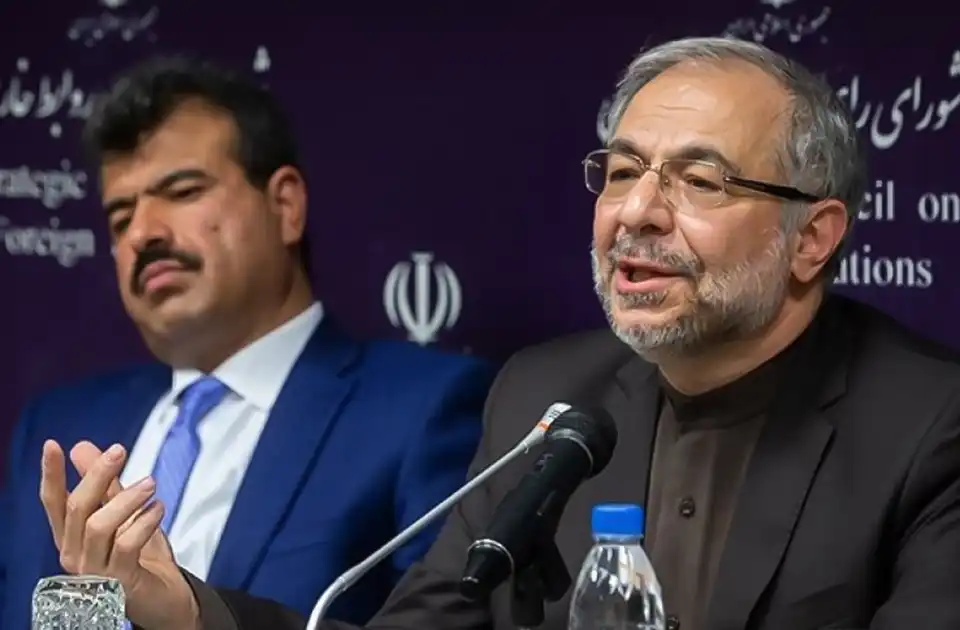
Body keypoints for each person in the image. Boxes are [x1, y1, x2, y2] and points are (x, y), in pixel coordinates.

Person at [39, 36, 960, 630]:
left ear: (814, 238)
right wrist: (186, 610)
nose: (636, 212)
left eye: (699, 181)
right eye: (622, 171)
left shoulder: (931, 428)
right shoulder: (547, 397)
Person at [1, 56, 497, 630]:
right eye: (120, 218)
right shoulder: (57, 427)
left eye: (183, 191)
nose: (143, 233)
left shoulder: (423, 409)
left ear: (285, 206)